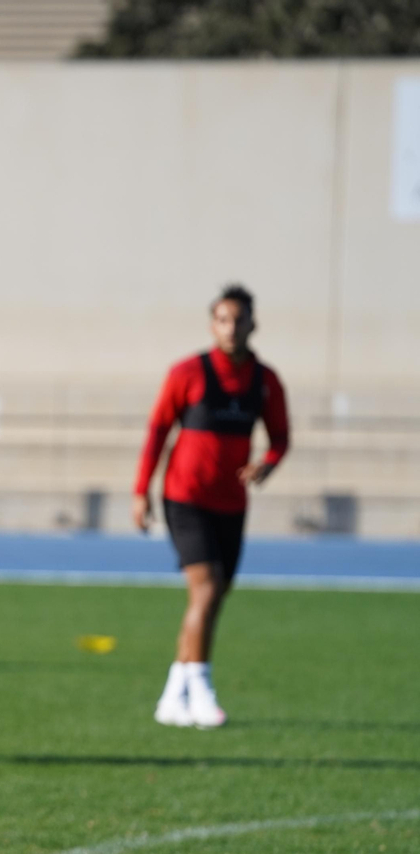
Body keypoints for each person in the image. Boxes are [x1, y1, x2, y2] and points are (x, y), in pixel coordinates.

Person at [132, 284, 289, 729]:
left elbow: (280, 438)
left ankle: (173, 695)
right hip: (185, 497)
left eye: (239, 320)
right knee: (206, 588)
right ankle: (201, 689)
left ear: (252, 324)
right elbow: (158, 430)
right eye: (223, 319)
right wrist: (141, 491)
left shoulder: (265, 381)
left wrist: (267, 465)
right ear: (212, 324)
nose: (231, 327)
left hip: (231, 503)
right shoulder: (188, 373)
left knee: (213, 596)